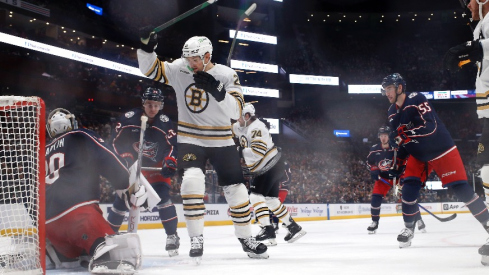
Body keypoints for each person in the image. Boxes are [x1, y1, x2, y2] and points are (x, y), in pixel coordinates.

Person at [136, 27, 268, 260]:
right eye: (188, 58)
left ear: (207, 56)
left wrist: (218, 92)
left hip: (222, 139)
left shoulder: (227, 75)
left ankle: (246, 238)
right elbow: (151, 69)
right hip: (191, 137)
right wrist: (147, 48)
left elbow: (236, 111)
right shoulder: (179, 68)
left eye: (195, 59)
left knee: (237, 191)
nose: (190, 63)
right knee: (191, 182)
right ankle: (196, 238)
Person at [381, 73, 489, 263]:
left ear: (399, 88)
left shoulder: (417, 99)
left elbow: (430, 127)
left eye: (389, 88)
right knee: (408, 189)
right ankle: (408, 227)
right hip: (419, 154)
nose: (386, 92)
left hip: (442, 149)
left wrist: (403, 136)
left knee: (462, 190)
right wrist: (398, 166)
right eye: (385, 89)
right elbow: (400, 143)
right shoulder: (391, 112)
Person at [44, 108, 152, 274]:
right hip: (79, 217)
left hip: (48, 226)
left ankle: (61, 254)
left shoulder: (42, 151)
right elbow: (108, 159)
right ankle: (99, 251)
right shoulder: (80, 135)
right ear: (71, 123)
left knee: (72, 258)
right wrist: (125, 182)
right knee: (112, 253)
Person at [106, 87, 180, 257]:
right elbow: (114, 142)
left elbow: (173, 146)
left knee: (163, 199)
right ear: (143, 104)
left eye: (156, 105)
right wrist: (124, 156)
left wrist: (170, 160)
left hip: (156, 167)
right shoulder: (128, 118)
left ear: (160, 105)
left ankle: (172, 236)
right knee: (122, 201)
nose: (152, 108)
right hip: (134, 167)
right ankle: (108, 236)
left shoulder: (165, 122)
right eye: (149, 104)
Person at [232, 103, 306, 246]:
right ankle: (293, 227)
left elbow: (258, 152)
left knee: (255, 196)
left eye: (239, 117)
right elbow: (229, 128)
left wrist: (237, 151)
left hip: (268, 165)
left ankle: (267, 229)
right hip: (272, 165)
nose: (237, 120)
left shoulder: (256, 128)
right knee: (271, 200)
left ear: (247, 116)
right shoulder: (243, 125)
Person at [444, 1, 489, 208]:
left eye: (470, 1)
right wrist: (470, 54)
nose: (468, 6)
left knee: (486, 163)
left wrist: (471, 48)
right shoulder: (482, 25)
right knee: (485, 164)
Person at [366, 126, 426, 234]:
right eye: (381, 136)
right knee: (375, 198)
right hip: (383, 178)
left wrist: (403, 175)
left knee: (408, 199)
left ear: (389, 136)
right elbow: (369, 162)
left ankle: (419, 220)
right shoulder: (375, 149)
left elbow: (405, 160)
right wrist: (374, 169)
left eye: (385, 136)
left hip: (398, 177)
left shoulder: (397, 147)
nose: (383, 138)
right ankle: (374, 222)